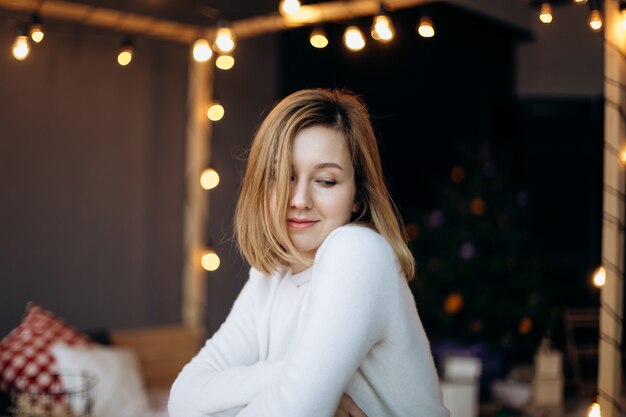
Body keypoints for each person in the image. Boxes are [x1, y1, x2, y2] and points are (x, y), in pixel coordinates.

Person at [168, 89, 449, 417]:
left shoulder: (358, 252)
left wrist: (302, 389)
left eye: (326, 181)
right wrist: (290, 377)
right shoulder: (269, 277)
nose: (299, 199)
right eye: (282, 176)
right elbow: (184, 399)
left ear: (357, 195)